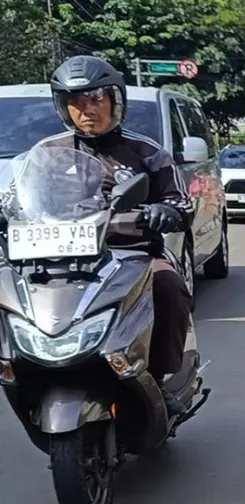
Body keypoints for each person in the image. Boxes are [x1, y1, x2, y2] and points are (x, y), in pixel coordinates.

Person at [34, 56, 194, 413]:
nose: (86, 109)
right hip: (59, 260)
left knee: (169, 289)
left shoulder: (147, 152)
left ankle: (159, 379)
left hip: (132, 255)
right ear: (63, 107)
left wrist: (164, 211)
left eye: (96, 99)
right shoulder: (46, 154)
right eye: (76, 101)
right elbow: (19, 199)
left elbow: (181, 204)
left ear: (114, 100)